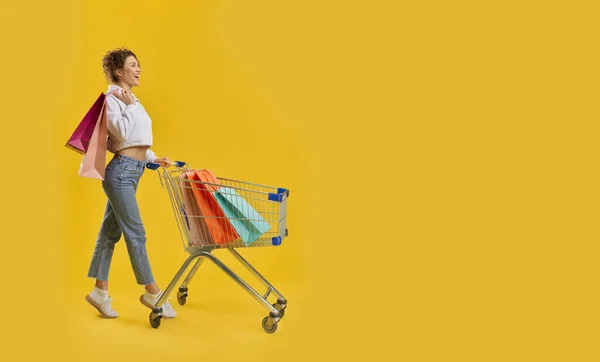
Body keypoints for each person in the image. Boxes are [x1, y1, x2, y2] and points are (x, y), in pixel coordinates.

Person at [85, 48, 176, 319]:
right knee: (136, 233)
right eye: (132, 65)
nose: (138, 70)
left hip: (134, 170)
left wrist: (153, 158)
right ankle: (152, 293)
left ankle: (100, 292)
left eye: (138, 65)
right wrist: (130, 106)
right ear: (118, 71)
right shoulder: (113, 98)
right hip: (121, 173)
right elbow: (120, 133)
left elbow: (136, 139)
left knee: (109, 233)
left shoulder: (132, 99)